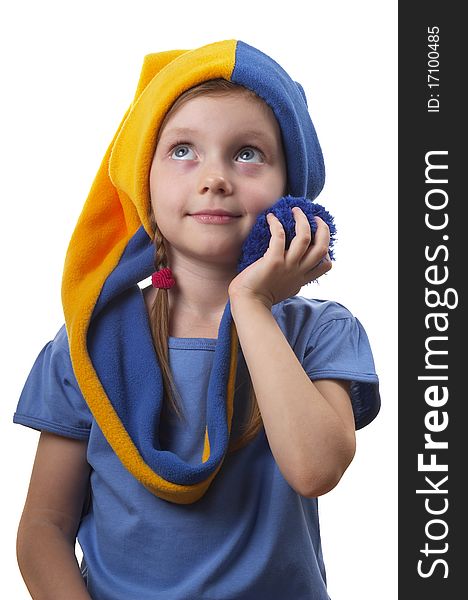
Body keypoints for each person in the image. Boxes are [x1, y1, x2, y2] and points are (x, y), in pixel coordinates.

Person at [14, 40, 380, 600]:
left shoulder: (320, 332)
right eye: (183, 150)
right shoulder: (89, 345)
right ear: (145, 182)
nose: (215, 178)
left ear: (291, 191)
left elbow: (315, 469)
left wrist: (253, 305)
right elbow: (43, 527)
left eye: (248, 153)